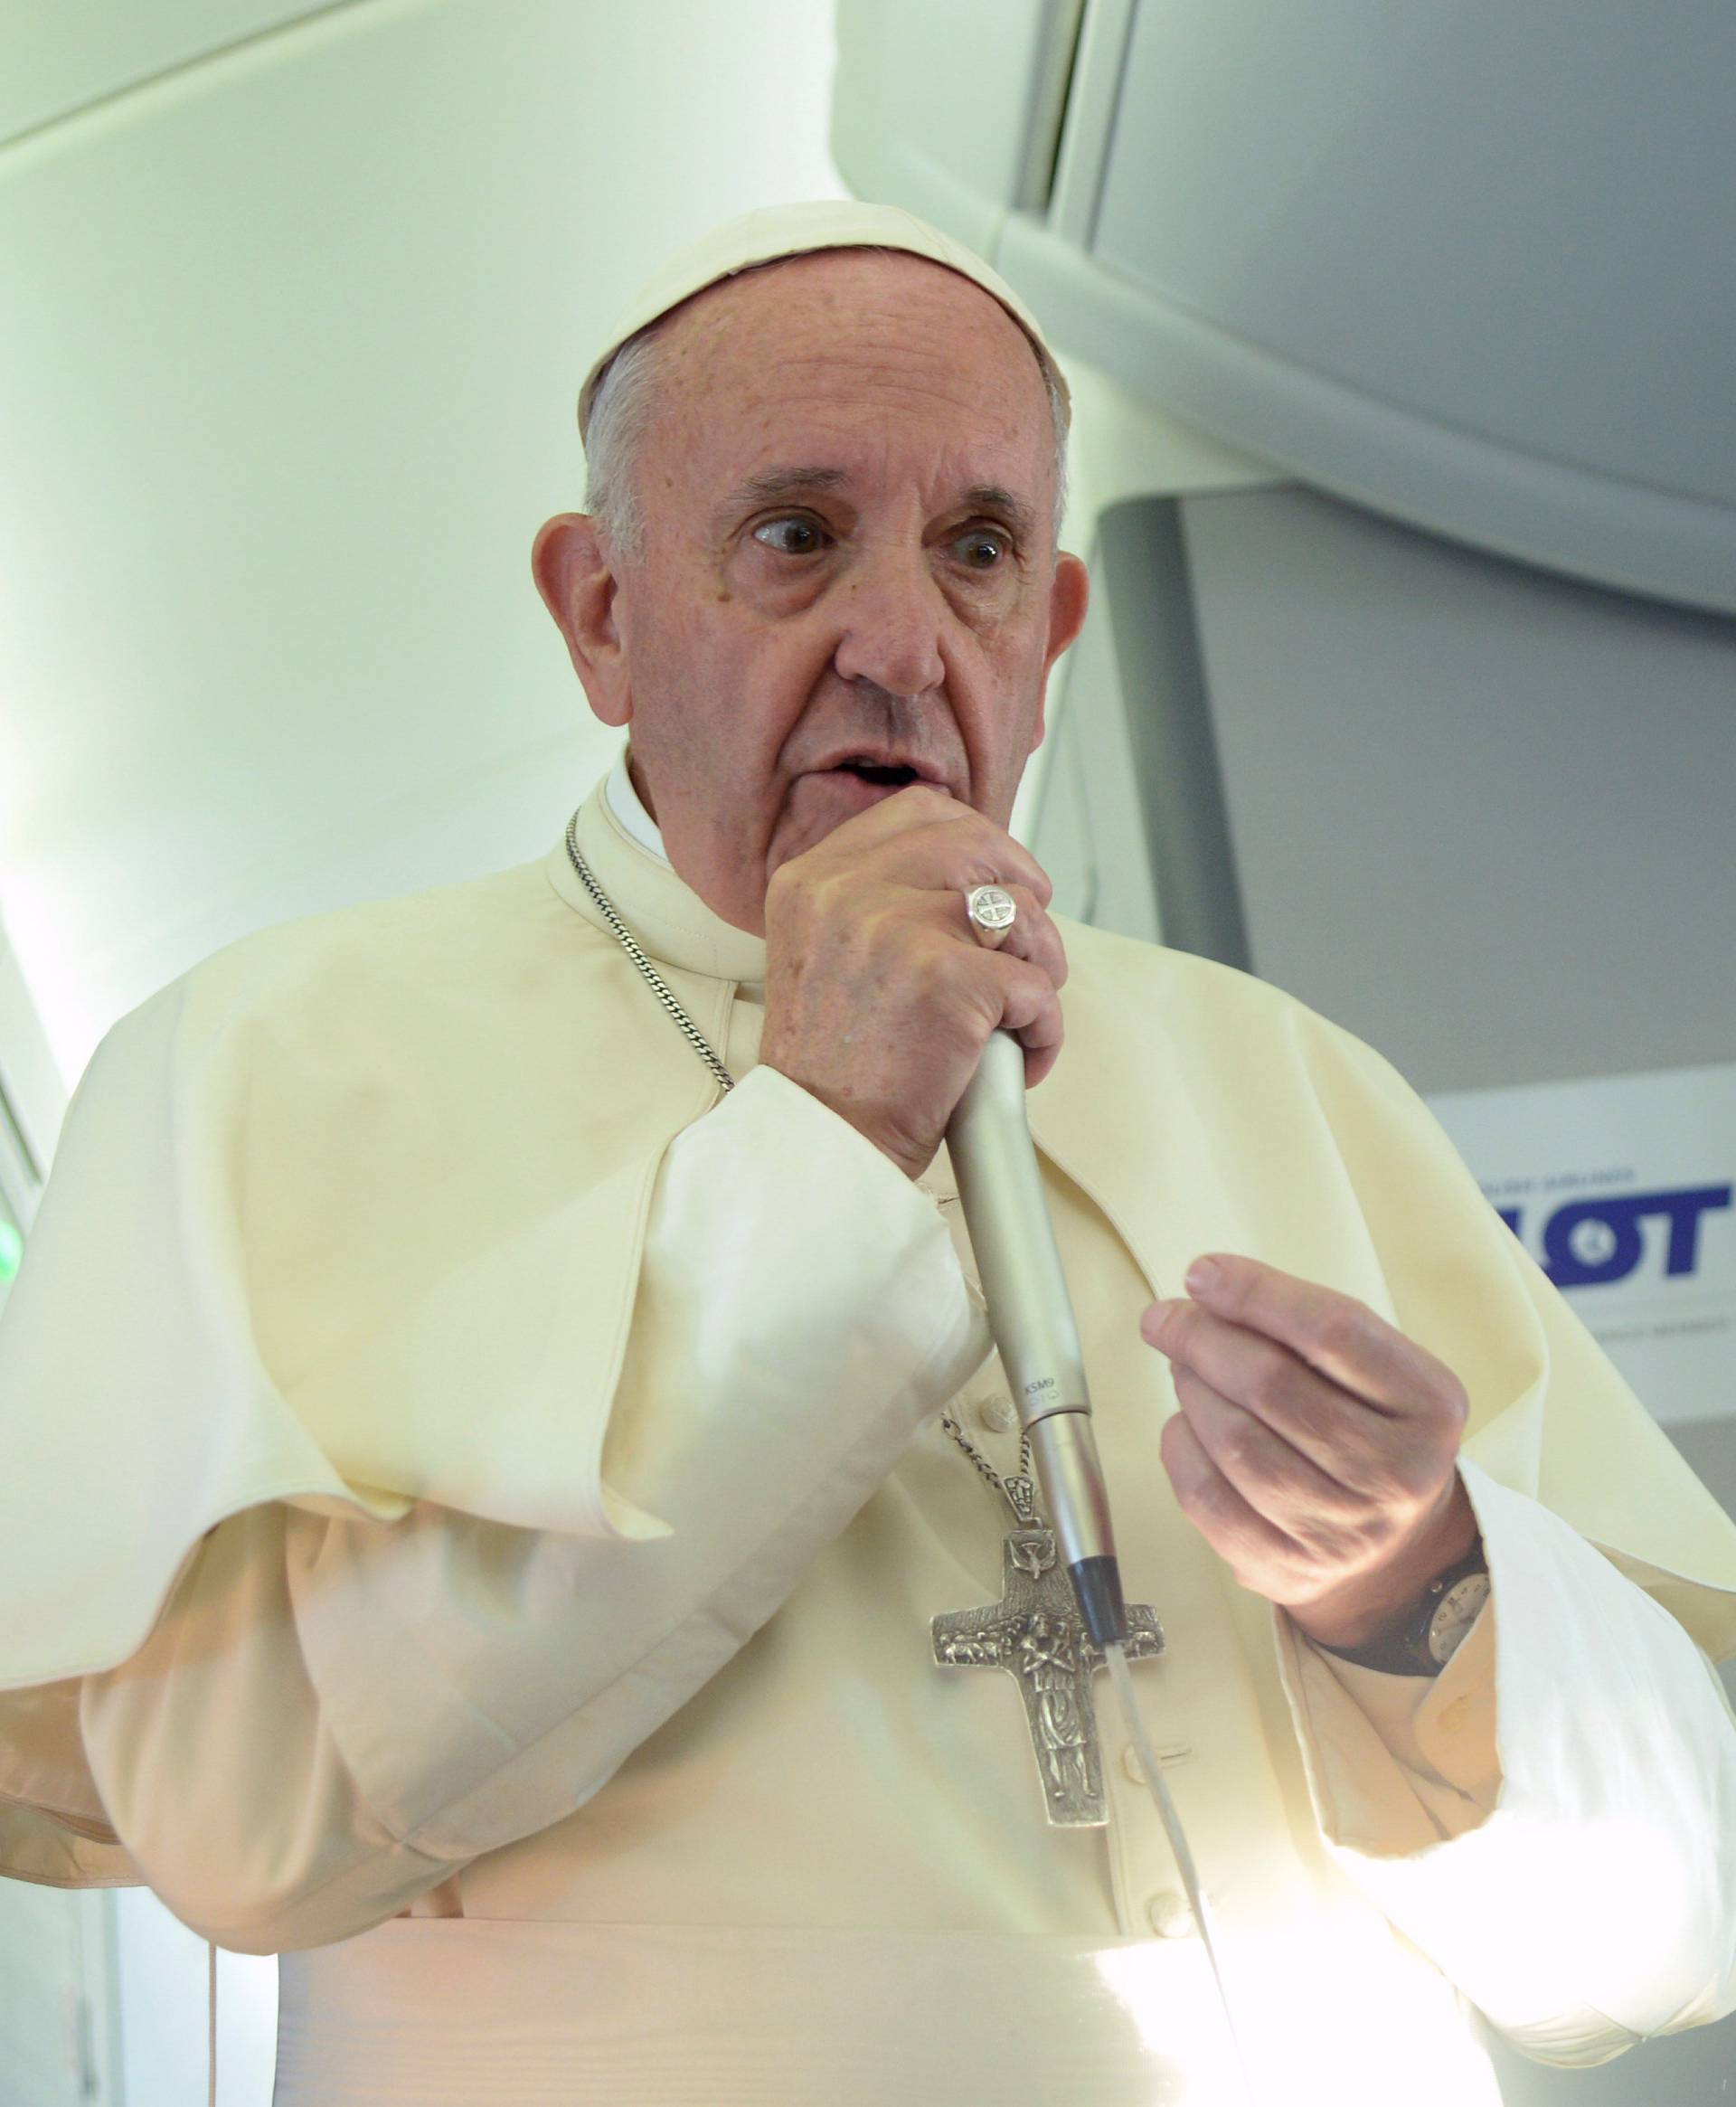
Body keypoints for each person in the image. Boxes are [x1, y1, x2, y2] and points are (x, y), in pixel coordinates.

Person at [2, 200, 1734, 2106]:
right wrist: (815, 1153)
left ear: (1052, 624)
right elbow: (246, 1828)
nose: (900, 644)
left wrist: (1418, 1586)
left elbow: (1664, 1936)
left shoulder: (1292, 1079)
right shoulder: (267, 1059)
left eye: (978, 549)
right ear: (600, 610)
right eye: (795, 537)